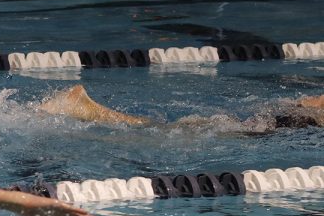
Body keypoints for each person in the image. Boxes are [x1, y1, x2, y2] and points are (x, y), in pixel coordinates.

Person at [37, 84, 324, 131]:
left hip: (292, 116)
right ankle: (88, 109)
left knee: (196, 128)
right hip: (291, 123)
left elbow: (309, 101)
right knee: (180, 132)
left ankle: (89, 108)